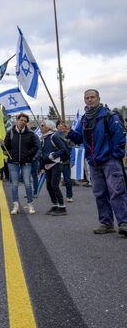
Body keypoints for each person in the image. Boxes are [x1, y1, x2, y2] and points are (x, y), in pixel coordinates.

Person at [59, 89, 127, 236]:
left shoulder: (109, 116)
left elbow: (119, 138)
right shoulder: (84, 119)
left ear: (98, 98)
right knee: (100, 193)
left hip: (110, 161)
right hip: (94, 163)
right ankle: (106, 223)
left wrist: (115, 156)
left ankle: (124, 223)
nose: (90, 100)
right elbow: (79, 138)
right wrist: (69, 132)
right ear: (84, 100)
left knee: (117, 192)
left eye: (92, 97)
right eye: (87, 98)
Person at [3, 113, 38, 215]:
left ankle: (30, 204)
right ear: (17, 120)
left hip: (26, 162)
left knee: (27, 183)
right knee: (14, 184)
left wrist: (28, 154)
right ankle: (15, 205)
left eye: (25, 121)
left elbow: (36, 147)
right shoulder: (10, 132)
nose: (23, 122)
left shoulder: (31, 134)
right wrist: (3, 145)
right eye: (21, 120)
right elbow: (6, 147)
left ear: (27, 123)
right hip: (12, 162)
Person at [40, 120, 69, 216]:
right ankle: (55, 204)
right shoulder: (44, 138)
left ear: (48, 127)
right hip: (48, 165)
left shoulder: (54, 136)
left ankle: (62, 207)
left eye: (42, 125)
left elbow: (64, 149)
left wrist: (54, 155)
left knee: (54, 185)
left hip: (56, 164)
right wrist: (41, 166)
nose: (41, 127)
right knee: (49, 186)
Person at [56, 120, 74, 202]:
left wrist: (72, 159)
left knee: (68, 180)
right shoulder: (54, 135)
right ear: (57, 126)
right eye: (60, 124)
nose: (62, 126)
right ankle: (57, 196)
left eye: (63, 124)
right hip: (56, 162)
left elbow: (72, 148)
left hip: (66, 161)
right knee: (55, 180)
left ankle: (69, 196)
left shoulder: (68, 135)